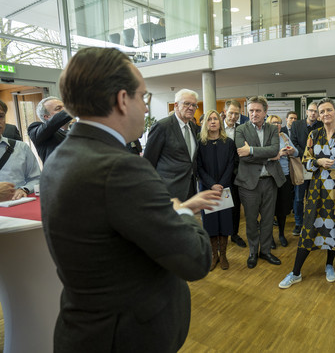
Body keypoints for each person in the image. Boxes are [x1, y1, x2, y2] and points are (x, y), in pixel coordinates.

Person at [41, 47, 220, 352]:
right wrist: (181, 213)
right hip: (124, 337)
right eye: (143, 97)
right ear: (123, 100)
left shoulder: (62, 155)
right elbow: (196, 259)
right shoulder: (121, 168)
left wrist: (175, 209)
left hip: (88, 329)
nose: (146, 108)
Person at [279, 98, 335, 289]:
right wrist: (318, 162)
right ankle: (295, 272)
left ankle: (330, 264)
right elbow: (306, 160)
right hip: (318, 188)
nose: (325, 114)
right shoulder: (313, 135)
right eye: (321, 111)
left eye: (328, 110)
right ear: (317, 114)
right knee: (309, 227)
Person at [235, 96, 285, 269]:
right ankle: (252, 252)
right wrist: (268, 156)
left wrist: (252, 150)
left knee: (268, 219)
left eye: (257, 110)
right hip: (249, 183)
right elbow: (243, 156)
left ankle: (265, 251)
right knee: (250, 220)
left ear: (265, 111)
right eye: (251, 110)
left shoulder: (272, 128)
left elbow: (274, 149)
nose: (253, 114)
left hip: (270, 181)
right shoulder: (241, 129)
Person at [144, 89, 200, 201]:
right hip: (168, 190)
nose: (191, 107)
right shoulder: (162, 127)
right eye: (187, 103)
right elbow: (149, 161)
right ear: (176, 105)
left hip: (190, 188)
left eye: (194, 105)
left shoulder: (194, 128)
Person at [197, 110, 236, 271]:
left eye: (216, 119)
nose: (213, 121)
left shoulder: (229, 143)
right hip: (207, 189)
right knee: (211, 223)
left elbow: (231, 165)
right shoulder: (200, 143)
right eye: (209, 119)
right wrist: (212, 184)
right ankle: (214, 256)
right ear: (205, 123)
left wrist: (221, 184)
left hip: (225, 188)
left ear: (220, 122)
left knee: (225, 222)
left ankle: (224, 255)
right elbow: (198, 167)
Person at [290, 102, 323, 236]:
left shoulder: (321, 126)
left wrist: (314, 159)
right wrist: (306, 156)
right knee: (298, 198)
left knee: (314, 197)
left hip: (316, 166)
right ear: (307, 112)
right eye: (311, 111)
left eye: (316, 111)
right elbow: (293, 142)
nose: (313, 113)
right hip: (301, 166)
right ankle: (298, 223)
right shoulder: (297, 125)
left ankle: (312, 223)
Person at [267, 114, 298, 248]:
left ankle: (281, 234)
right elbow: (261, 156)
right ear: (268, 124)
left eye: (278, 123)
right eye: (274, 123)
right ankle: (270, 237)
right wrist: (278, 153)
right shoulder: (264, 139)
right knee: (269, 209)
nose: (277, 125)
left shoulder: (284, 137)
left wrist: (291, 151)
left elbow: (296, 153)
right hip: (270, 177)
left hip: (285, 177)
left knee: (283, 208)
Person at [0, 100, 40, 200]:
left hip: (15, 205)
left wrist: (24, 189)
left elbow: (37, 178)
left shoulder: (21, 148)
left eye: (1, 116)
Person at [223, 99, 247, 248]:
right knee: (222, 205)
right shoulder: (216, 128)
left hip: (237, 174)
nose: (233, 116)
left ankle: (235, 234)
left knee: (236, 206)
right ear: (225, 112)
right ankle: (221, 235)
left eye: (236, 114)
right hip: (221, 175)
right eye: (231, 113)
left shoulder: (242, 129)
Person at [28, 96, 73, 163]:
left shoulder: (77, 128)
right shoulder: (36, 129)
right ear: (47, 117)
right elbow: (50, 125)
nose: (64, 109)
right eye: (58, 108)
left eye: (65, 107)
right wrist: (74, 108)